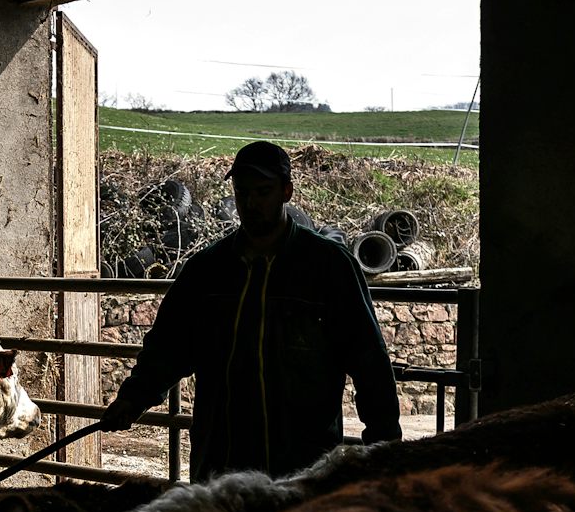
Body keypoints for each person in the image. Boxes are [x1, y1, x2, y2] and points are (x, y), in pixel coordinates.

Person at [100, 140, 404, 481]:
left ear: (286, 191)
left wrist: (384, 445)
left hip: (302, 465)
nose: (250, 203)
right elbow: (168, 347)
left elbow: (369, 361)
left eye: (263, 191)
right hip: (222, 461)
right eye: (242, 192)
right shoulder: (206, 270)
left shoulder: (329, 267)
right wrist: (132, 399)